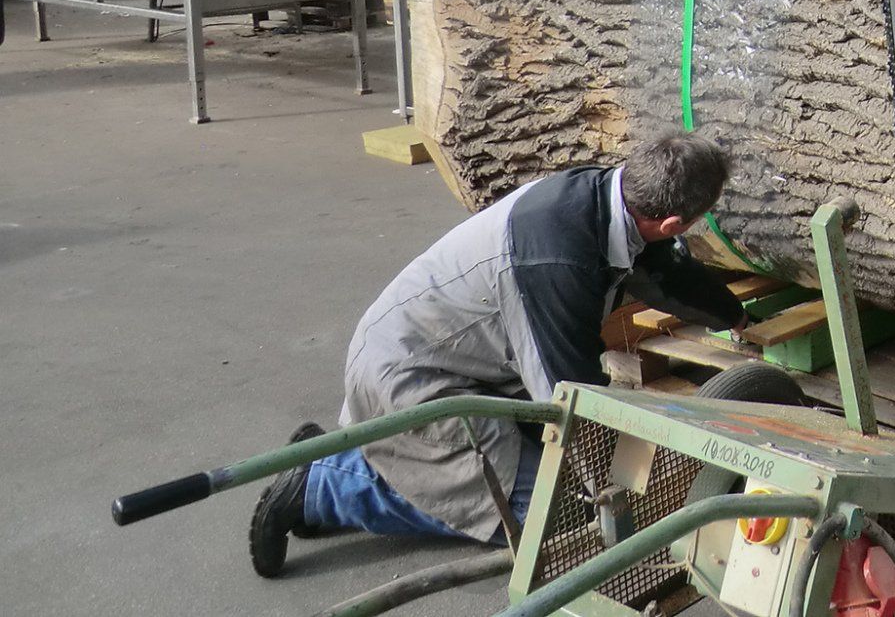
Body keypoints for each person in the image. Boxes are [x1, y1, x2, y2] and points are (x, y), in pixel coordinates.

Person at [249, 126, 747, 576]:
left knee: (554, 480)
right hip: (413, 377)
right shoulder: (559, 262)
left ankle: (370, 455)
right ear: (673, 222)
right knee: (555, 519)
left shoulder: (612, 195)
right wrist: (621, 495)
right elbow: (570, 397)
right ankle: (324, 484)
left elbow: (665, 271)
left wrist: (735, 317)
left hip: (464, 360)